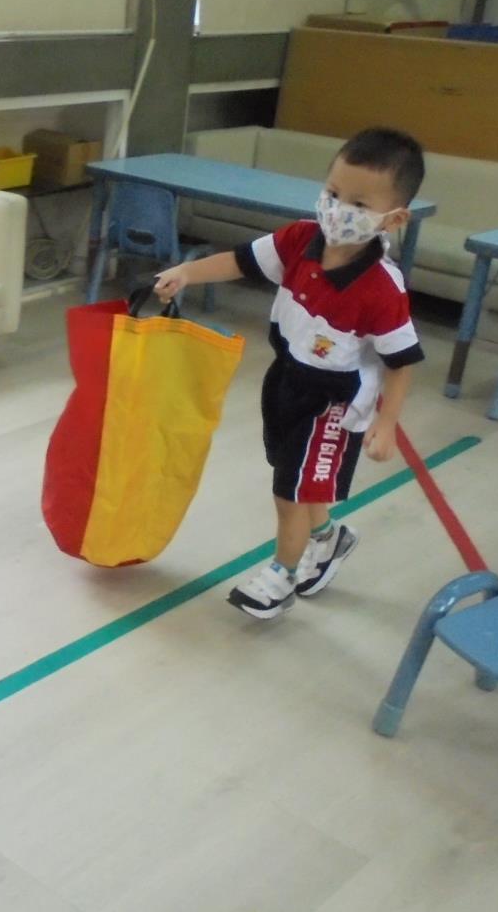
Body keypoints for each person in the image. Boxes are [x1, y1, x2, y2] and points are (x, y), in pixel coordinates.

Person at [155, 127, 427, 619]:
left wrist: (387, 423)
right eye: (333, 193)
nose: (338, 210)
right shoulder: (301, 239)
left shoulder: (382, 289)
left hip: (333, 403)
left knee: (289, 493)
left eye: (359, 204)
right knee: (298, 480)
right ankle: (329, 537)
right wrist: (188, 272)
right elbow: (240, 261)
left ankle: (281, 575)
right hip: (286, 379)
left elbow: (401, 361)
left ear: (394, 218)